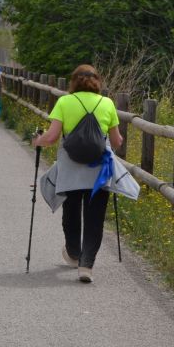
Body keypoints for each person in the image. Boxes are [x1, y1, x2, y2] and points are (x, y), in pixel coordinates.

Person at [32, 64, 138, 284]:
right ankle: (86, 266)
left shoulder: (64, 102)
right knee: (95, 219)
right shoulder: (107, 103)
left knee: (71, 214)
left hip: (70, 170)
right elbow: (116, 141)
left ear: (73, 81)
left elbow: (51, 137)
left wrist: (37, 140)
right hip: (99, 172)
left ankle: (73, 253)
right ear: (97, 82)